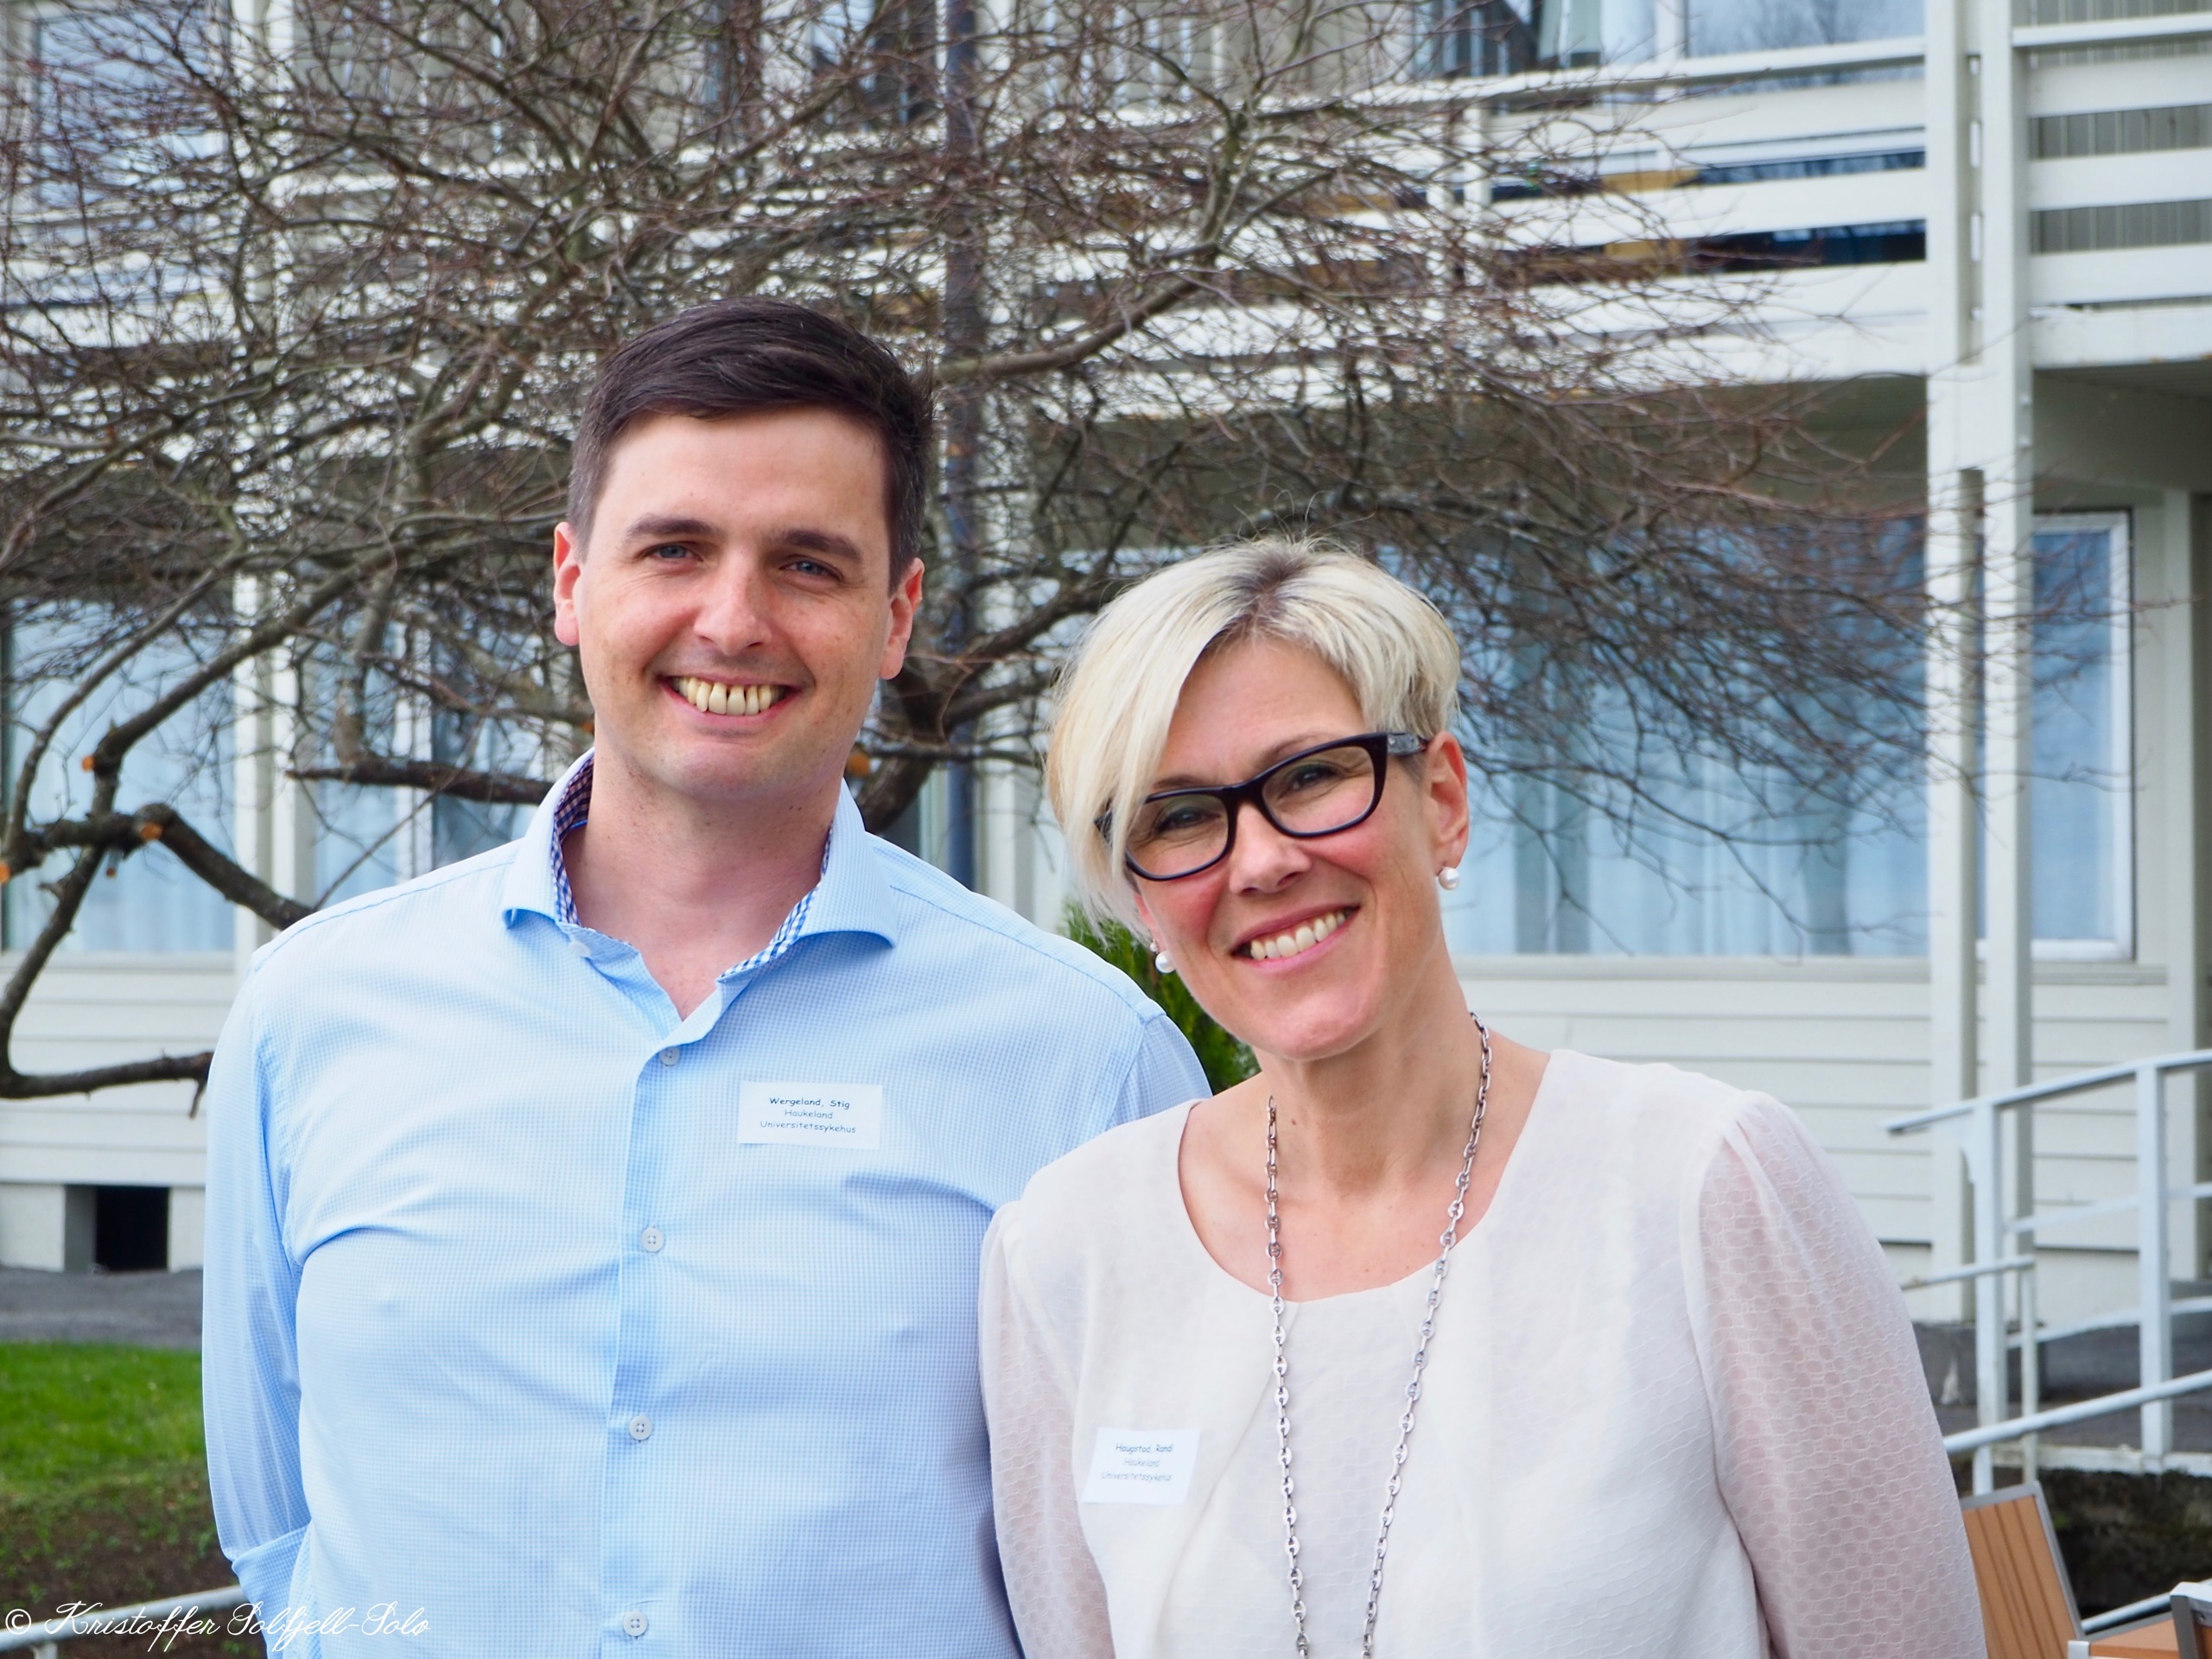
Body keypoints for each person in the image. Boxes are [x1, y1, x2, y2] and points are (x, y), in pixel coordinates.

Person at [200, 299, 1206, 1657]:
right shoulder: (310, 1015)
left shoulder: (1086, 1060)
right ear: (571, 582)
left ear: (897, 617)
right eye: (674, 548)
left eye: (807, 564)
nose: (732, 621)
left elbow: (1146, 1561)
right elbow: (279, 1533)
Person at [981, 537, 1982, 1658]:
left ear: (1444, 803)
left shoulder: (1704, 1188)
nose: (1259, 861)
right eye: (1177, 818)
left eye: (1309, 777)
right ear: (1142, 906)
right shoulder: (1067, 1254)